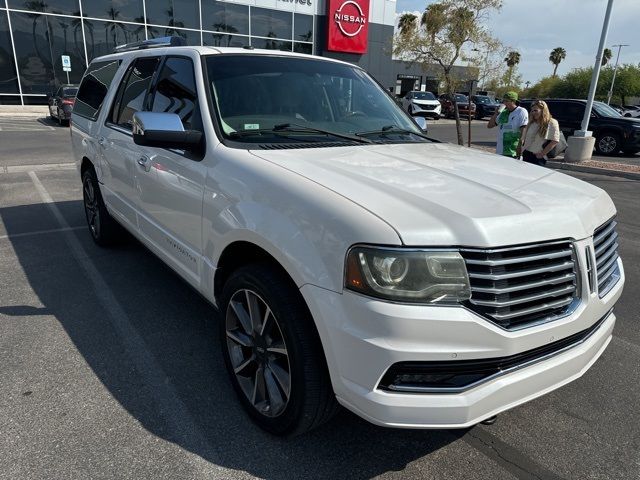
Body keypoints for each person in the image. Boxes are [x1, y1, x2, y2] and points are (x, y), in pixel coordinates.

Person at [487, 91, 528, 158]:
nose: (504, 103)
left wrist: (520, 146)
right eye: (503, 101)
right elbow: (490, 126)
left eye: (506, 101)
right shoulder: (503, 112)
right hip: (500, 151)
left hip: (512, 151)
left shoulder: (521, 111)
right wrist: (496, 114)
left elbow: (523, 129)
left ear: (513, 101)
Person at [520, 100, 560, 166]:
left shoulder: (551, 122)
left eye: (536, 110)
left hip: (538, 156)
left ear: (543, 110)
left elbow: (555, 140)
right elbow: (524, 138)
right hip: (526, 153)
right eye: (532, 111)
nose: (533, 113)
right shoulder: (531, 122)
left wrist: (542, 154)